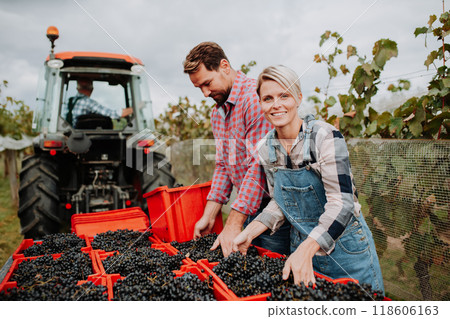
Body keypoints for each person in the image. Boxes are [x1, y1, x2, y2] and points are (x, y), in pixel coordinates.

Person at [232, 65, 384, 293]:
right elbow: (282, 202)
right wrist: (251, 231)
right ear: (260, 104)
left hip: (345, 250)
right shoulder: (265, 148)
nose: (276, 105)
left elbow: (343, 204)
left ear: (298, 98)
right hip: (302, 250)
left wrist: (308, 248)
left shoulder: (325, 136)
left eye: (284, 95)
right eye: (268, 98)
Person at [183, 42, 291, 256]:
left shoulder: (254, 99)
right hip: (248, 208)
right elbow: (224, 165)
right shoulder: (218, 113)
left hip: (275, 214)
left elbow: (258, 165)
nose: (205, 93)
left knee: (272, 275)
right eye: (199, 88)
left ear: (224, 66)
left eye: (207, 83)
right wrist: (209, 215)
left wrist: (233, 224)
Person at [65, 79, 133, 128]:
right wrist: (134, 109)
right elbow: (113, 114)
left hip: (70, 138)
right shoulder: (87, 102)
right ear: (92, 89)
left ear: (77, 88)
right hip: (84, 139)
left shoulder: (68, 102)